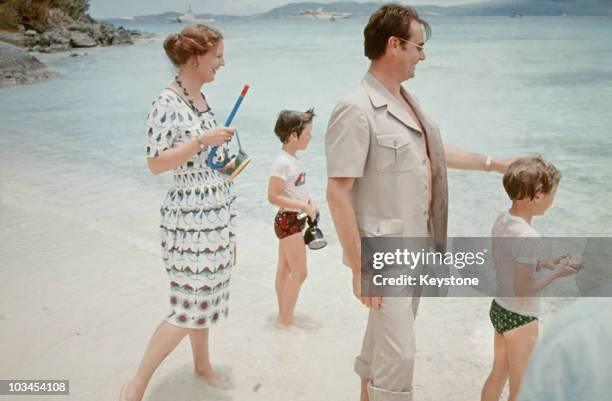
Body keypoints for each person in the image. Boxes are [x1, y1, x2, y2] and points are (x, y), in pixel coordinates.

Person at [325, 4, 515, 401]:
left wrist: (493, 164)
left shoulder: (405, 100)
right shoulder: (356, 109)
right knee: (400, 360)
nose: (423, 55)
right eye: (418, 46)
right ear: (394, 45)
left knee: (382, 348)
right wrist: (360, 266)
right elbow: (338, 192)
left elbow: (433, 154)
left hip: (414, 246)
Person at [120, 24, 237, 401]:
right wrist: (202, 140)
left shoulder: (201, 100)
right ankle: (137, 383)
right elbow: (156, 163)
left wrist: (225, 155)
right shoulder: (166, 103)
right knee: (189, 304)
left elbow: (206, 161)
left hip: (215, 216)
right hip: (188, 222)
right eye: (217, 55)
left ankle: (202, 368)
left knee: (205, 300)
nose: (223, 62)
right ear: (195, 57)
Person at [482, 156, 578, 401]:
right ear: (537, 194)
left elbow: (507, 261)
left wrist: (544, 263)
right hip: (521, 318)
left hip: (500, 308)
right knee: (521, 388)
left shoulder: (503, 219)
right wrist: (555, 273)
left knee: (497, 375)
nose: (553, 201)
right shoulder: (529, 235)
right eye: (552, 195)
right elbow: (525, 288)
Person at [267, 109, 319, 329]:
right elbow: (273, 196)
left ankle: (283, 313)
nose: (311, 136)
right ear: (292, 136)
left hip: (294, 219)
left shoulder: (293, 160)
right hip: (288, 222)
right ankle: (286, 320)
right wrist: (303, 206)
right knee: (300, 272)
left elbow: (295, 190)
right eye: (307, 133)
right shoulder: (282, 163)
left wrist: (310, 203)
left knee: (285, 269)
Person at [517, 298, 612, 401]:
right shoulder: (582, 326)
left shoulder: (577, 325)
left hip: (507, 311)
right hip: (520, 316)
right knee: (515, 381)